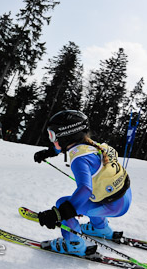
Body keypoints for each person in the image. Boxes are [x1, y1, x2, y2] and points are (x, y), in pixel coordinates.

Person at [33, 110, 131, 256]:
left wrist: (59, 214)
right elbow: (66, 146)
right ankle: (100, 228)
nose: (51, 139)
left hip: (113, 206)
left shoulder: (79, 159)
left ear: (66, 135)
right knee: (93, 198)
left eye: (52, 135)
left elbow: (85, 189)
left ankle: (73, 245)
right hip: (122, 198)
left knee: (63, 203)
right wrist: (49, 152)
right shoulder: (92, 146)